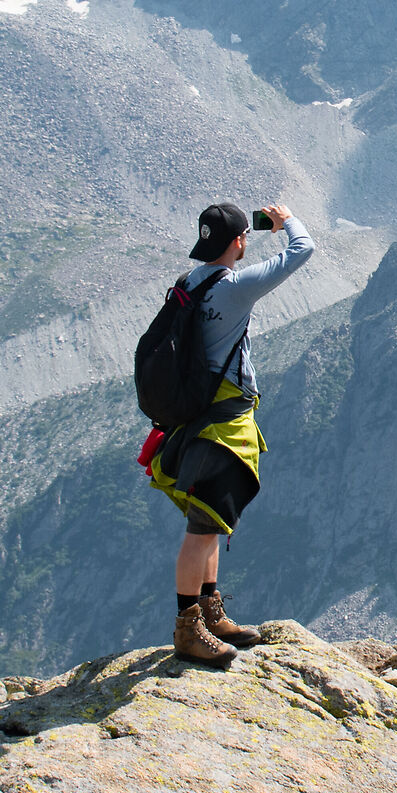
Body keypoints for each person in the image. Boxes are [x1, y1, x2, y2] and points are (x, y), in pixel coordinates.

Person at [152, 200, 313, 668]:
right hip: (221, 425)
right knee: (202, 529)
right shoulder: (236, 287)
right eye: (245, 237)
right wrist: (285, 223)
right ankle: (189, 628)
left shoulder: (189, 284)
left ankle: (210, 610)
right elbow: (303, 250)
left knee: (214, 520)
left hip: (199, 415)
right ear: (239, 241)